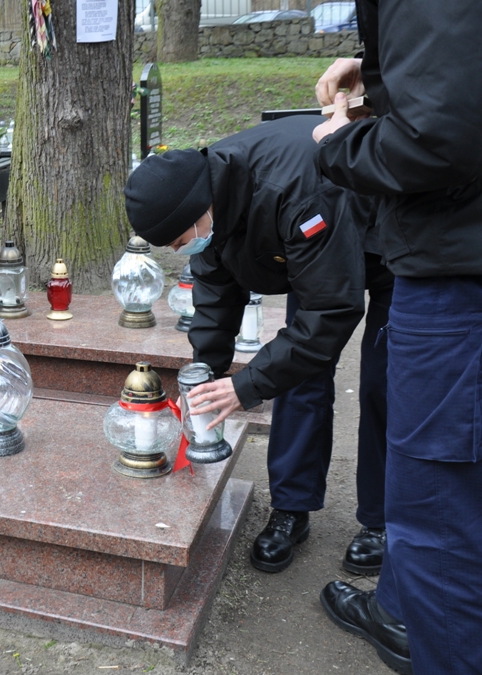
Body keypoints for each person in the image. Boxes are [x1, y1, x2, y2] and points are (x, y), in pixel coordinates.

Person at [123, 114, 393, 578]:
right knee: (299, 377)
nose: (178, 251)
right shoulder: (205, 193)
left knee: (385, 384)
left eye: (180, 241)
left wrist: (246, 386)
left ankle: (382, 520)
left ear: (199, 211)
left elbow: (329, 311)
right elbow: (214, 293)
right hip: (316, 260)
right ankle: (291, 508)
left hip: (389, 245)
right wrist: (205, 370)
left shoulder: (295, 191)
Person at [312, 2, 482, 675]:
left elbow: (440, 136)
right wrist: (387, 75)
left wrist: (339, 144)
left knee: (440, 523)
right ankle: (395, 603)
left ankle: (418, 619)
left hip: (456, 277)